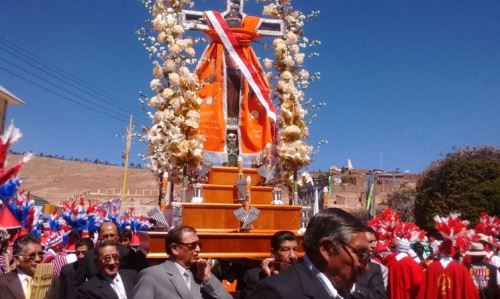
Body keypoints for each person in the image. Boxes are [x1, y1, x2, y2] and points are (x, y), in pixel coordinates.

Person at [250, 208, 371, 299]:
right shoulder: (276, 294)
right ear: (327, 249)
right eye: (360, 254)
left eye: (368, 256)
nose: (366, 267)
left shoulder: (360, 294)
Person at [132, 225, 232, 299]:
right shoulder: (151, 275)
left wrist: (207, 278)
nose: (197, 249)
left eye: (198, 244)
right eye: (192, 245)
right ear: (175, 249)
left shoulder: (201, 275)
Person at [75, 222, 148, 286]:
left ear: (118, 237)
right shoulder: (89, 256)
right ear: (99, 237)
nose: (109, 238)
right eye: (105, 236)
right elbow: (79, 282)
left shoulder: (129, 254)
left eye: (112, 235)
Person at [241, 230, 298, 298]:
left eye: (295, 250)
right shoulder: (254, 277)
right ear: (273, 253)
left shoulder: (302, 275)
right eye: (285, 250)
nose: (292, 256)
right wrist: (270, 280)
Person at [0, 234, 43, 299]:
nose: (38, 259)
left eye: (40, 255)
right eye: (32, 255)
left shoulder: (53, 281)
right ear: (17, 259)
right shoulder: (2, 284)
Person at [353, 227, 386, 299]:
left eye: (375, 241)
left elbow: (381, 297)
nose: (374, 245)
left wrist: (353, 288)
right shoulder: (343, 263)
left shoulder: (375, 268)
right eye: (370, 241)